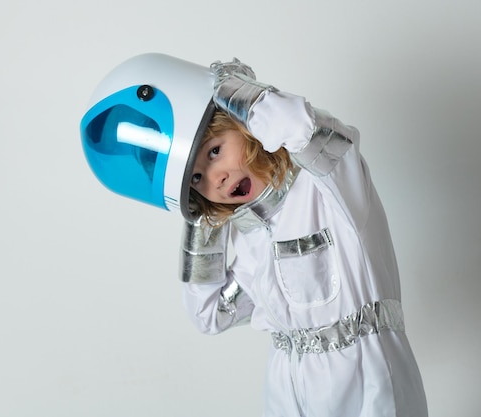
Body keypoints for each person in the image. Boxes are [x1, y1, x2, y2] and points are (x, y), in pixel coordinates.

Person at [80, 53, 427, 417]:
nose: (217, 178)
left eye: (215, 152)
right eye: (197, 178)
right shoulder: (250, 240)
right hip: (285, 389)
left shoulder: (330, 185)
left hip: (366, 382)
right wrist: (202, 218)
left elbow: (304, 129)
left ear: (247, 128)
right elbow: (208, 314)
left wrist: (241, 94)